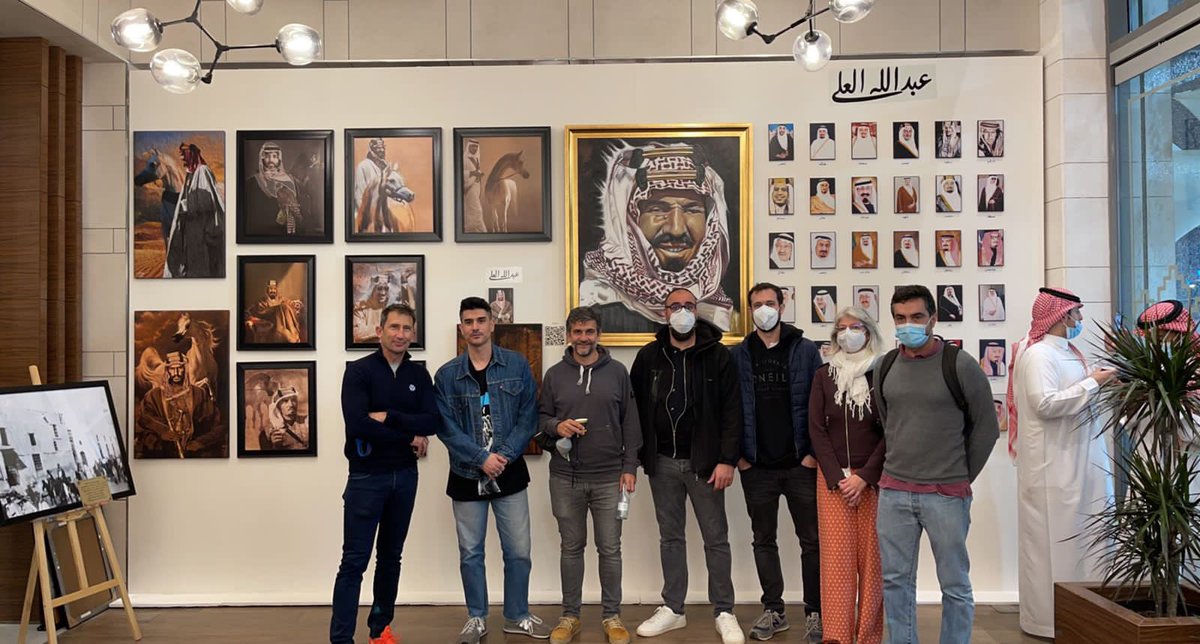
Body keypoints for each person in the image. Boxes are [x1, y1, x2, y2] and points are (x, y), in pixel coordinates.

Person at [872, 285, 1000, 644]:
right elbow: (888, 422)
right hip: (894, 493)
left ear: (933, 318)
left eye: (916, 317)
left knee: (954, 583)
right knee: (895, 582)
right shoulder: (885, 366)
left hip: (946, 495)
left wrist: (959, 476)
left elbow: (986, 429)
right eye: (900, 318)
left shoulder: (960, 364)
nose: (908, 324)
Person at [630, 288, 745, 644]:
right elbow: (634, 409)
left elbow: (733, 411)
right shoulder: (649, 356)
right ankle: (673, 609)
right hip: (662, 462)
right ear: (664, 313)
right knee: (671, 537)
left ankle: (724, 611)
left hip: (706, 465)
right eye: (675, 306)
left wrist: (727, 460)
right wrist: (637, 457)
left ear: (697, 311)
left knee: (716, 539)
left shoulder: (718, 355)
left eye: (688, 306)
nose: (682, 312)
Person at [435, 297, 551, 643]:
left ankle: (516, 615)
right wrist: (480, 458)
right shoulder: (446, 375)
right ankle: (476, 617)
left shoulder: (516, 365)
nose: (475, 327)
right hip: (466, 474)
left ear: (492, 324)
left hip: (509, 471)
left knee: (519, 551)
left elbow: (528, 415)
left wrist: (503, 455)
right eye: (468, 322)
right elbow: (445, 427)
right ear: (461, 328)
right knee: (471, 553)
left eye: (481, 320)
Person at [1006, 288, 1116, 638]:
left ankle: (1087, 620)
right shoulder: (1038, 355)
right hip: (1051, 469)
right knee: (1049, 548)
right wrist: (1092, 383)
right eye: (1077, 313)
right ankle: (1049, 622)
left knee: (1085, 543)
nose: (1080, 320)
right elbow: (1045, 404)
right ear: (1062, 315)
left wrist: (1096, 380)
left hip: (1082, 465)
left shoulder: (1069, 352)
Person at [332, 304, 441, 644]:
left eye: (407, 328)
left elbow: (432, 421)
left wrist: (389, 417)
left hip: (405, 477)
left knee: (391, 558)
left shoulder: (419, 376)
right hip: (367, 478)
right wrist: (409, 435)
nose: (400, 334)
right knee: (354, 561)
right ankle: (341, 638)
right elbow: (358, 424)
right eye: (394, 327)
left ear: (413, 333)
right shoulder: (359, 372)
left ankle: (380, 631)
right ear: (379, 331)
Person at [537, 307, 641, 644]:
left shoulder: (618, 372)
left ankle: (612, 616)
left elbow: (631, 422)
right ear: (569, 335)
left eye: (590, 331)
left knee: (610, 549)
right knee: (571, 548)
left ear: (599, 334)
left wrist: (629, 467)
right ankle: (570, 616)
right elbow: (541, 418)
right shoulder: (554, 375)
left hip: (610, 477)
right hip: (565, 477)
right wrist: (557, 425)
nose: (584, 338)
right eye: (578, 332)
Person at [730, 283, 824, 641]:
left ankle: (815, 612)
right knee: (763, 540)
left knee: (811, 541)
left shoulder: (805, 349)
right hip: (757, 467)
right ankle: (774, 610)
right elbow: (729, 408)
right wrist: (739, 457)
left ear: (782, 306)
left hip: (801, 464)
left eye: (770, 303)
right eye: (757, 304)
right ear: (749, 310)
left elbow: (819, 404)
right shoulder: (738, 355)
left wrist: (813, 453)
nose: (764, 309)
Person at [580, 143, 736, 333]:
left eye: (691, 210)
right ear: (630, 219)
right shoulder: (599, 301)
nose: (676, 229)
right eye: (658, 209)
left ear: (710, 218)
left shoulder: (722, 312)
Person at [809, 306, 886, 644]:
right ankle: (837, 636)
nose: (848, 333)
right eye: (842, 328)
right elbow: (816, 429)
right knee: (836, 564)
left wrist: (864, 476)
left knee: (873, 565)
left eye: (855, 327)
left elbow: (891, 430)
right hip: (834, 482)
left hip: (874, 482)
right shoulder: (824, 376)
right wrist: (838, 476)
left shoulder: (883, 372)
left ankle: (868, 636)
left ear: (868, 332)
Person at [135, 351, 221, 458]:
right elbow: (143, 422)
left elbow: (216, 425)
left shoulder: (199, 394)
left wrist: (199, 442)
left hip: (194, 455)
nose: (176, 373)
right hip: (163, 455)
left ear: (185, 369)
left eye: (179, 368)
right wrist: (162, 432)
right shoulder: (153, 396)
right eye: (172, 368)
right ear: (167, 370)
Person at [165, 142, 224, 278]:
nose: (183, 161)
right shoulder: (191, 174)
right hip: (192, 231)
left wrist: (188, 207)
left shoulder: (203, 171)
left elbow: (208, 204)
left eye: (184, 157)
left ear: (191, 155)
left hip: (201, 231)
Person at [245, 141, 310, 236]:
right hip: (263, 235)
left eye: (274, 156)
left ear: (279, 158)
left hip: (289, 236)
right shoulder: (251, 183)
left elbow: (304, 211)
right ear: (262, 158)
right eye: (267, 156)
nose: (271, 160)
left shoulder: (292, 181)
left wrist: (295, 211)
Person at [353, 137, 416, 234]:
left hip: (384, 209)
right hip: (369, 213)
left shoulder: (385, 166)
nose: (381, 150)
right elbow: (359, 194)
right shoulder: (363, 166)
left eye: (383, 147)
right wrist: (367, 215)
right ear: (371, 149)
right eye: (378, 147)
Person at [246, 279, 305, 344]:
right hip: (271, 323)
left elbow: (291, 305)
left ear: (276, 290)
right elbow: (257, 312)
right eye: (270, 289)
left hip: (284, 324)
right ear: (267, 290)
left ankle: (292, 331)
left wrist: (295, 305)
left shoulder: (282, 299)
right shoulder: (262, 301)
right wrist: (275, 310)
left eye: (274, 289)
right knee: (281, 307)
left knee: (284, 306)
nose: (272, 291)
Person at [261, 385, 308, 450]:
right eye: (285, 401)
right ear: (278, 406)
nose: (291, 404)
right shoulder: (268, 433)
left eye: (293, 400)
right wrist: (274, 445)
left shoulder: (306, 421)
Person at [462, 138, 487, 233]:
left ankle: (470, 231)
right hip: (469, 188)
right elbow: (460, 173)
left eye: (476, 147)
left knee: (472, 211)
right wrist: (473, 173)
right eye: (473, 146)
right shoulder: (464, 159)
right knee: (477, 211)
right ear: (468, 147)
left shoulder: (476, 159)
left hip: (476, 188)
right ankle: (483, 232)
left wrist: (479, 174)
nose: (475, 148)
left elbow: (476, 172)